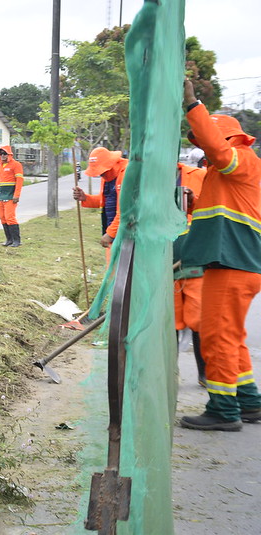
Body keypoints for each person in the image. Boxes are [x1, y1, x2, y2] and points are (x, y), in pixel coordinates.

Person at [179, 79, 261, 431]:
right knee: (231, 336)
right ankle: (250, 403)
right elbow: (220, 212)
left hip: (232, 264)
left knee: (216, 336)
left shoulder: (240, 158)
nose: (201, 150)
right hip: (232, 263)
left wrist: (193, 105)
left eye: (204, 142)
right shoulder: (224, 175)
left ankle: (223, 410)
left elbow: (218, 151)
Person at [173, 155, 206, 387]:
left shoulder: (198, 176)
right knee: (171, 322)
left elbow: (212, 211)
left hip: (195, 260)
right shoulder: (146, 180)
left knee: (199, 321)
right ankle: (168, 373)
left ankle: (205, 374)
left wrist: (195, 201)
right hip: (165, 261)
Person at [72, 147, 128, 263]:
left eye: (102, 172)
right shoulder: (107, 177)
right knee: (112, 271)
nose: (101, 175)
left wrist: (111, 233)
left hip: (127, 235)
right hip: (113, 234)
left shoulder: (126, 173)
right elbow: (106, 202)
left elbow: (125, 210)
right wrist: (85, 198)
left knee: (122, 273)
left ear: (111, 164)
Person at [0, 146, 24, 246]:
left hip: (10, 195)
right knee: (3, 218)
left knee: (10, 217)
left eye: (4, 153)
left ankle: (17, 240)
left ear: (9, 154)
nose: (3, 156)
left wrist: (16, 195)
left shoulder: (16, 165)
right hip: (0, 195)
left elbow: (19, 180)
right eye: (1, 154)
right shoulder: (0, 167)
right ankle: (9, 240)